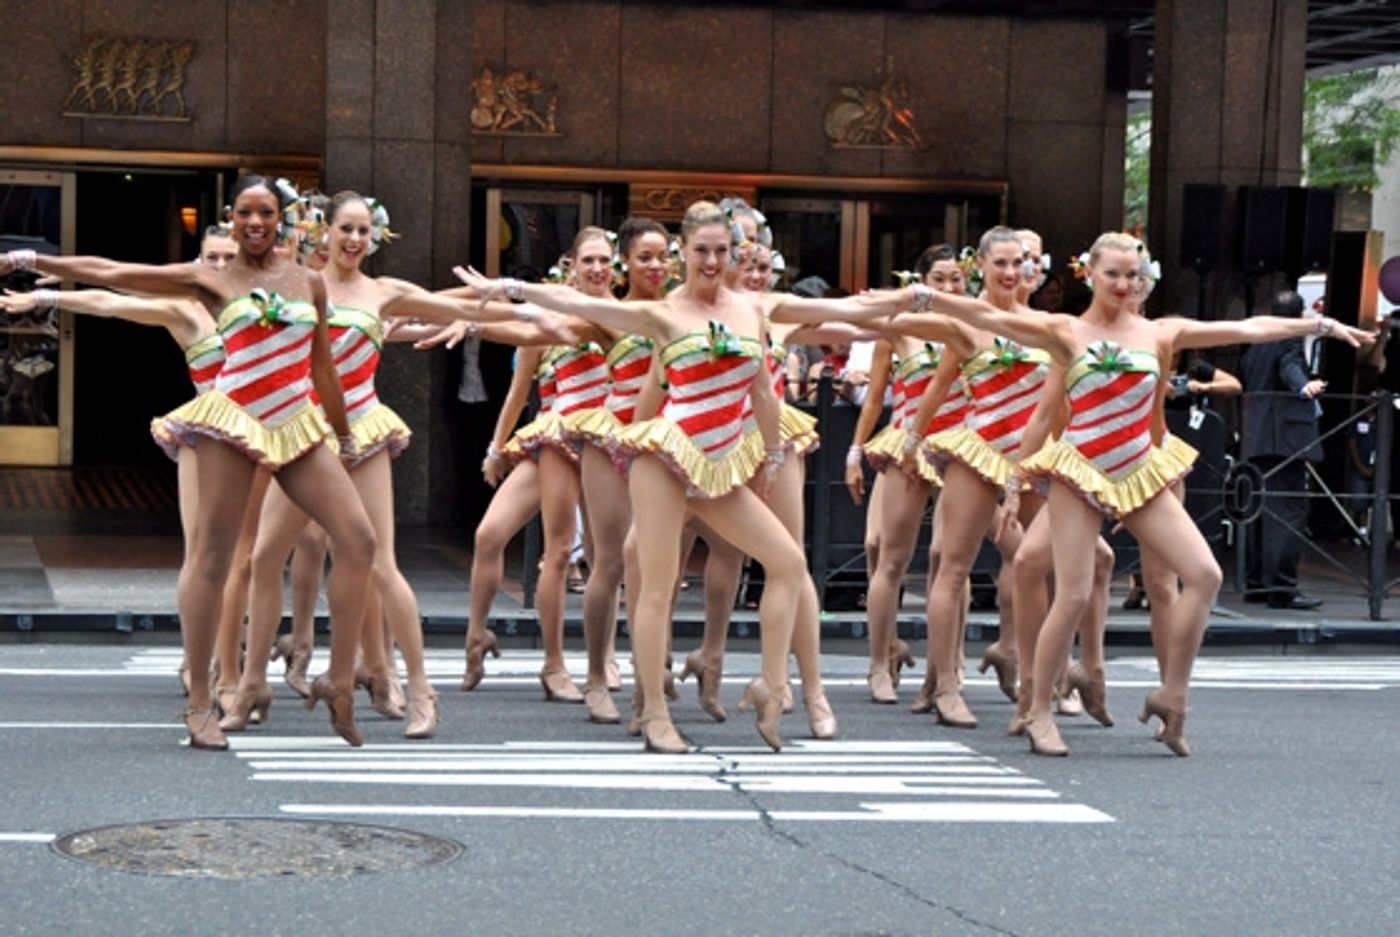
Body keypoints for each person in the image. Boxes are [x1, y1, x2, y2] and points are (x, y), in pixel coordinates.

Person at [871, 232, 1374, 757]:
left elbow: (1246, 327)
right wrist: (917, 297)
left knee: (1204, 575)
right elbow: (991, 321)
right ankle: (1038, 708)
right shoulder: (1064, 330)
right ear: (1090, 275)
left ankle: (1171, 694)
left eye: (1132, 274)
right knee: (1071, 593)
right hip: (1080, 473)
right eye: (1112, 274)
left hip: (1137, 472)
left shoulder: (1159, 333)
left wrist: (1320, 325)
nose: (1123, 283)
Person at [3, 175, 380, 749]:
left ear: (283, 219)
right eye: (244, 213)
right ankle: (201, 698)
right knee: (213, 557)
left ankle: (339, 680)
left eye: (266, 213)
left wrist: (345, 434)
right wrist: (35, 261)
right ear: (232, 219)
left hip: (297, 426)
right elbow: (117, 274)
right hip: (232, 420)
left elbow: (324, 368)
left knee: (359, 540)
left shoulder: (309, 282)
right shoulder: (211, 278)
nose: (255, 222)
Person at [1240, 291, 1326, 610]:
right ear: (1298, 316)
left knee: (1261, 511)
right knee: (1288, 511)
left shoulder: (1255, 347)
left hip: (1257, 437)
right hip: (1283, 439)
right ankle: (1282, 587)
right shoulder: (1287, 341)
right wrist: (1303, 386)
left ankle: (1256, 583)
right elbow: (1290, 365)